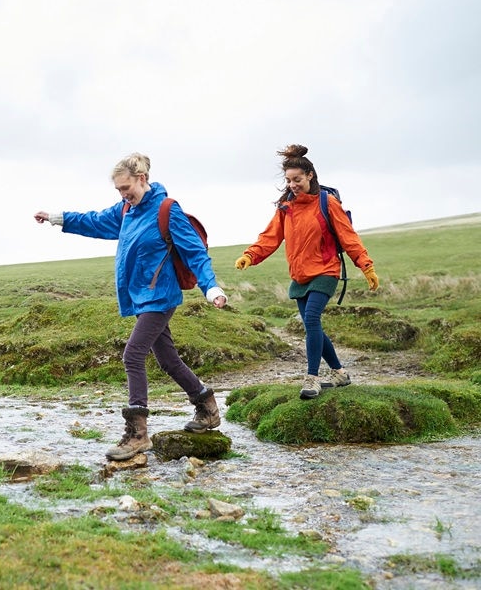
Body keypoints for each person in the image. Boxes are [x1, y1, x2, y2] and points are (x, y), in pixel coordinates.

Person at [34, 153, 227, 460]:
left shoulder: (167, 210)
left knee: (132, 354)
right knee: (168, 361)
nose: (123, 194)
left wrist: (211, 287)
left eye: (127, 187)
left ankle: (138, 433)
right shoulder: (126, 210)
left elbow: (194, 252)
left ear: (142, 179)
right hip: (140, 297)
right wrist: (58, 217)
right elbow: (95, 221)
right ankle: (207, 407)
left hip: (160, 297)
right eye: (118, 190)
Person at [234, 144, 379, 400]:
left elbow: (348, 237)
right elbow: (270, 237)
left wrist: (366, 266)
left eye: (297, 179)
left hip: (325, 270)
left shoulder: (327, 202)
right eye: (289, 180)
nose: (292, 184)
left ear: (310, 175)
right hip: (300, 276)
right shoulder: (286, 207)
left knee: (311, 319)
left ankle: (311, 379)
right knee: (313, 326)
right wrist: (250, 255)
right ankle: (340, 372)